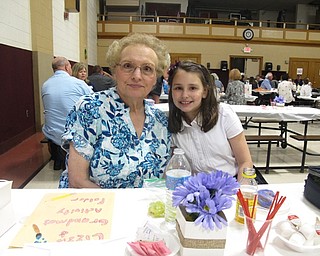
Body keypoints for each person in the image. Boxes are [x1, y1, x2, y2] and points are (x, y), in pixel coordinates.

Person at [58, 33, 171, 189]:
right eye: (128, 66)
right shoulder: (90, 108)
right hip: (96, 207)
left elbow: (162, 180)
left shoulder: (160, 120)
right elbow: (77, 181)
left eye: (147, 69)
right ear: (114, 71)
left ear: (155, 78)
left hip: (145, 208)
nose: (137, 76)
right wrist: (122, 210)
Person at [167, 60, 253, 179]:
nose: (184, 95)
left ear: (205, 91)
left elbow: (245, 162)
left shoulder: (224, 115)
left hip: (230, 185)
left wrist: (241, 191)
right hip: (194, 189)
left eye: (192, 88)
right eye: (178, 88)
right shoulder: (171, 123)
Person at [42, 57, 93, 170]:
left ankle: (58, 159)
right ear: (67, 67)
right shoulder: (78, 83)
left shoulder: (45, 85)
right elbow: (93, 103)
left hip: (52, 132)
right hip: (74, 133)